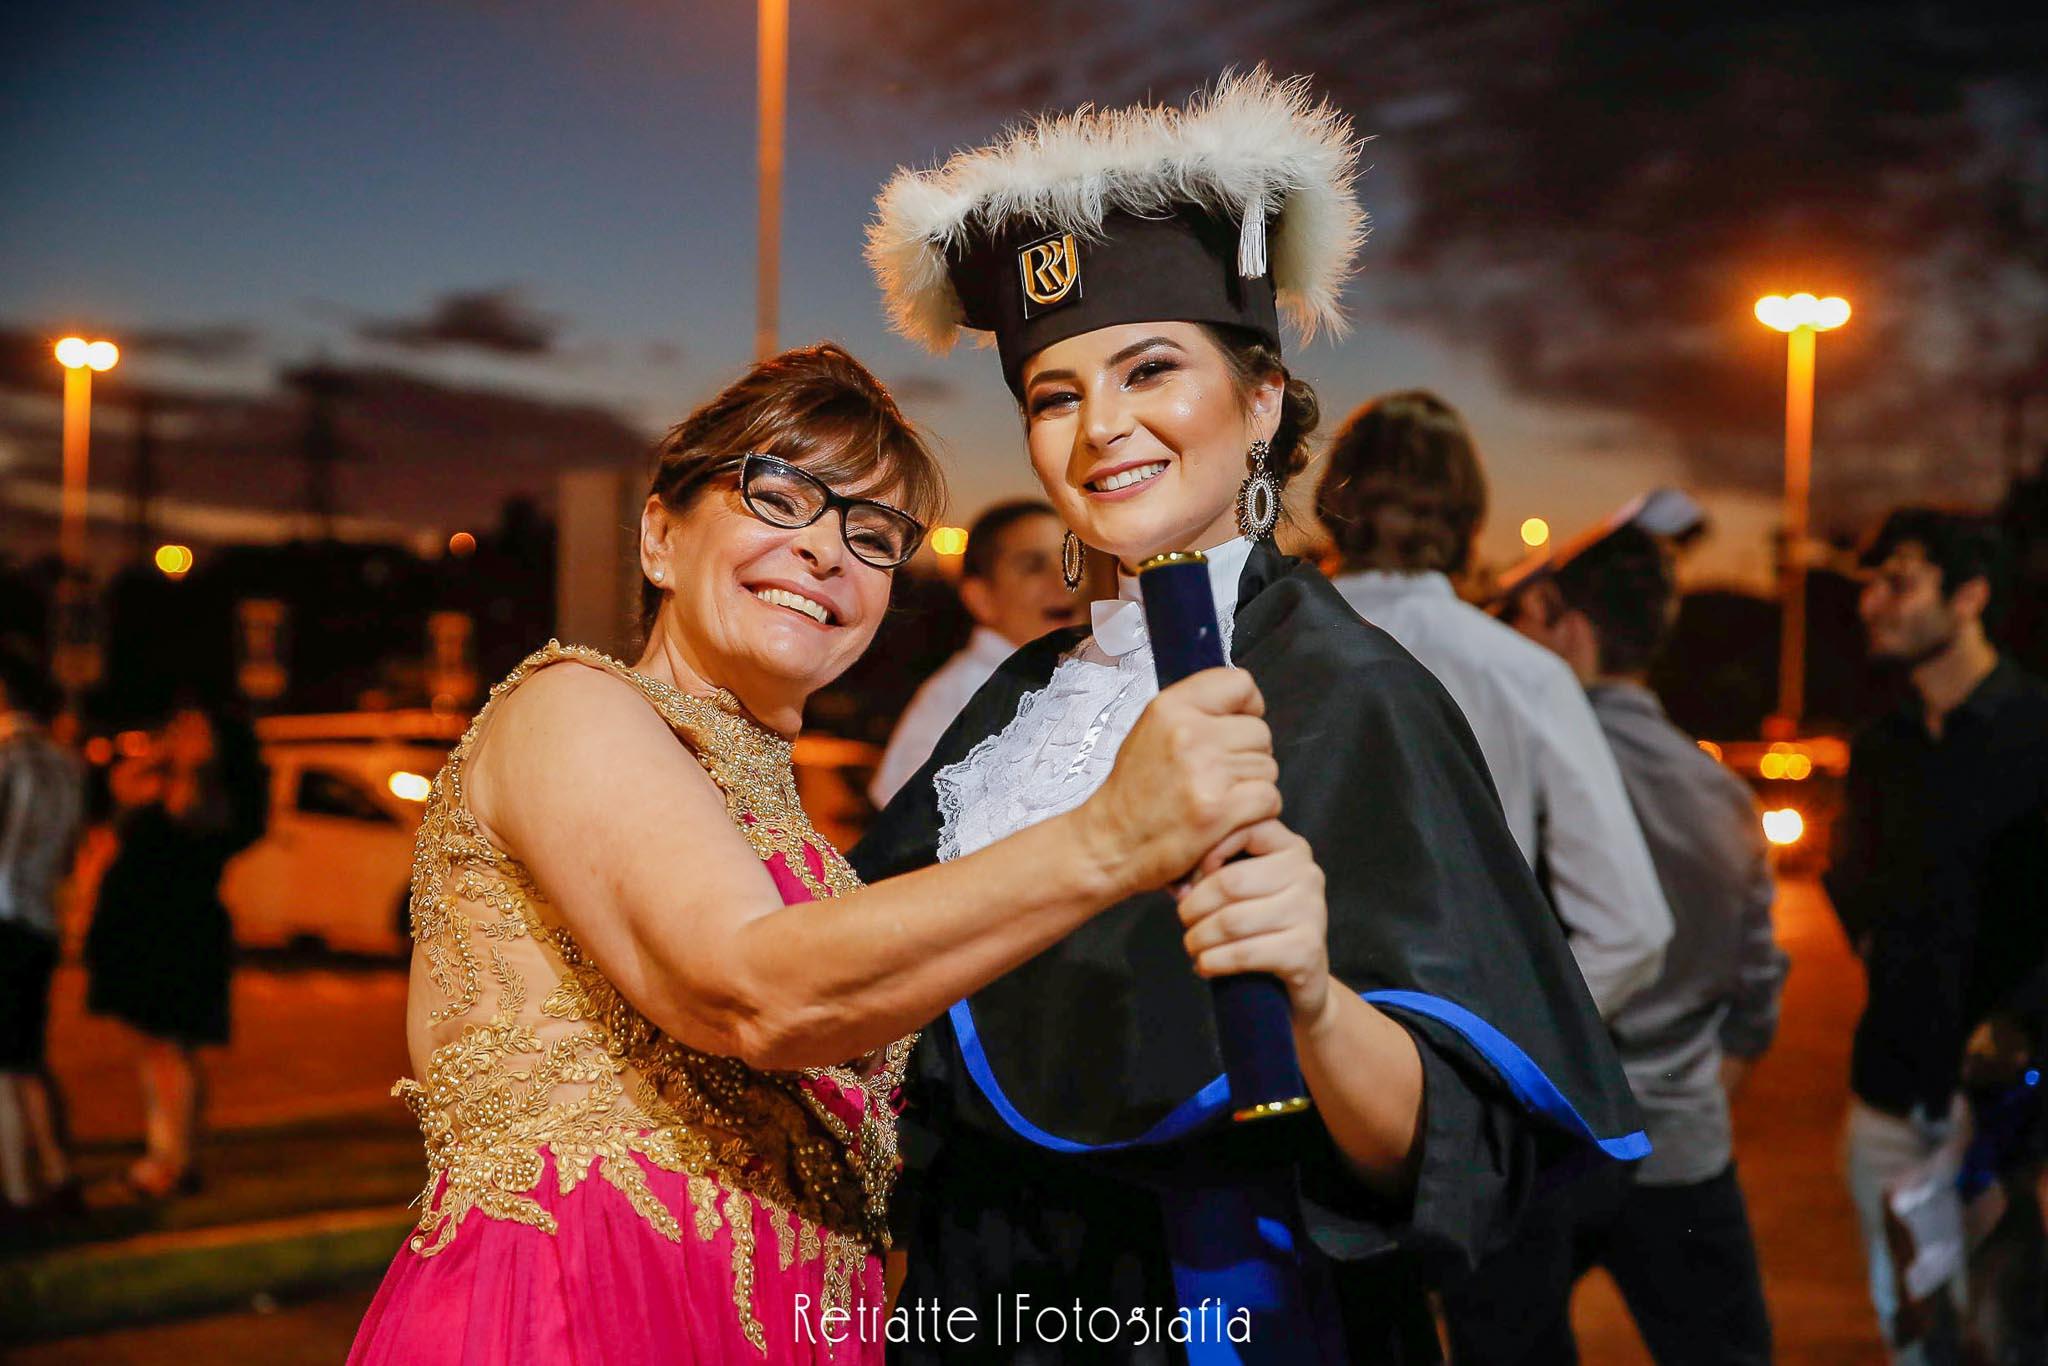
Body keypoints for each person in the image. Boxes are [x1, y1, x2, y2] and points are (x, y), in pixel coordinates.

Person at [858, 68, 1644, 1362]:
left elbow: (1459, 1163)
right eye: (1054, 394)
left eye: (1149, 367)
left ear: (1263, 396)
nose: (1100, 425)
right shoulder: (1017, 701)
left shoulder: (1358, 692)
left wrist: (1319, 1003)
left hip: (1226, 1317)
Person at [347, 342, 1286, 1365]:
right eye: (780, 494)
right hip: (571, 1315)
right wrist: (1111, 836)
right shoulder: (571, 704)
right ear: (659, 536)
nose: (825, 550)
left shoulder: (805, 847)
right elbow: (748, 986)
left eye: (869, 531)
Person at [1453, 520, 1787, 1364]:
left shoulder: (1519, 767)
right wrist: (1679, 1093)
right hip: (1682, 1149)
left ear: (1561, 619)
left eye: (1522, 619)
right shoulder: (1721, 791)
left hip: (1539, 1150)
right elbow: (1756, 994)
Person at [1315, 392, 1673, 1019]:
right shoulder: (1524, 673)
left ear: (1335, 498)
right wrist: (1504, 1044)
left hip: (1276, 1062)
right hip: (1454, 1049)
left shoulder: (1249, 649)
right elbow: (1631, 930)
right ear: (1468, 515)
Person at [1823, 507, 2048, 1363]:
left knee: (2011, 1326)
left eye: (1899, 580)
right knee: (1912, 1327)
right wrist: (1886, 951)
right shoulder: (1883, 745)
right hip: (1888, 1091)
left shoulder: (2035, 732)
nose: (1872, 603)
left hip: (2010, 1111)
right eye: (1870, 584)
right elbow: (1850, 878)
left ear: (1970, 596)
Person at [84, 700, 265, 1198]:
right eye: (176, 726)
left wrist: (180, 767)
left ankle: (170, 1160)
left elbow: (190, 830)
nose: (179, 736)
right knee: (156, 1047)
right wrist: (156, 756)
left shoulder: (210, 794)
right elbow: (119, 790)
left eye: (192, 729)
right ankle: (170, 1154)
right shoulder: (160, 780)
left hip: (177, 932)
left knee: (170, 1048)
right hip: (143, 930)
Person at [869, 499, 1080, 806]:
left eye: (1069, 561)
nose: (1063, 581)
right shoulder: (958, 697)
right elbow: (911, 824)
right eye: (1033, 566)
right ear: (981, 598)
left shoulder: (1069, 673)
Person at [0, 646, 85, 1218]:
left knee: (9, 1061)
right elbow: (70, 853)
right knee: (24, 1054)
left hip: (3, 916)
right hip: (40, 919)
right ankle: (48, 1171)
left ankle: (22, 1185)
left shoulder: (8, 760)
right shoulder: (66, 764)